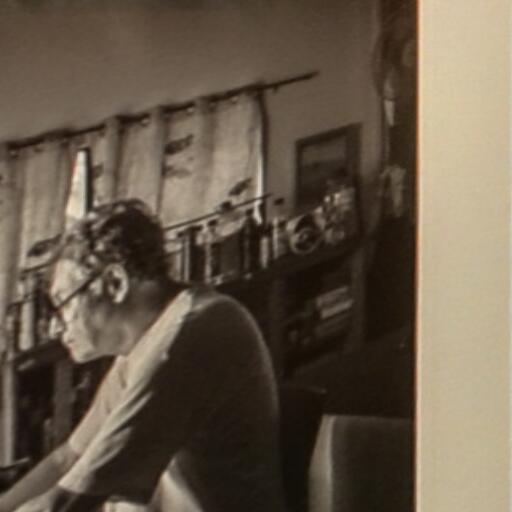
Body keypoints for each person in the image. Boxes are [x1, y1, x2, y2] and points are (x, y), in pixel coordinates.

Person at [0, 200, 287, 512]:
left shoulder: (191, 334)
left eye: (63, 303)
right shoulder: (148, 339)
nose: (56, 326)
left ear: (115, 284)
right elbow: (67, 459)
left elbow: (68, 502)